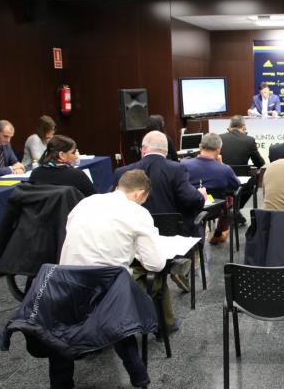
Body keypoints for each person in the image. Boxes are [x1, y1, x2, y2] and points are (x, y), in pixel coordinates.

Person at [58, 169, 167, 388]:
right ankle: (139, 377)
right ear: (139, 194)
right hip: (106, 289)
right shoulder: (137, 213)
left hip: (65, 282)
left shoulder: (86, 203)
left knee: (62, 335)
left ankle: (60, 382)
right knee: (120, 322)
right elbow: (155, 264)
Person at [114, 131, 206, 237]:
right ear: (166, 152)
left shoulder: (121, 172)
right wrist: (200, 196)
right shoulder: (177, 169)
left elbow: (115, 206)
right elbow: (192, 199)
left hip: (134, 236)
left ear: (143, 150)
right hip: (173, 236)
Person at [181, 133, 240, 244]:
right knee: (230, 199)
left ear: (200, 147)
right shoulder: (225, 169)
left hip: (188, 208)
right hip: (215, 210)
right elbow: (235, 186)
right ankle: (219, 232)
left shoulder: (183, 165)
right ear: (218, 151)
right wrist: (221, 164)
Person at [220, 115, 265, 223]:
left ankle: (229, 209)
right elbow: (259, 163)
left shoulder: (219, 138)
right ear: (244, 127)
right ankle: (235, 209)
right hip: (241, 183)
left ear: (230, 127)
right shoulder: (249, 140)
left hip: (221, 180)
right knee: (251, 186)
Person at [29, 135, 96, 197]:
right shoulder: (77, 175)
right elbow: (93, 199)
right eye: (73, 153)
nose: (76, 156)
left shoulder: (35, 173)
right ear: (62, 155)